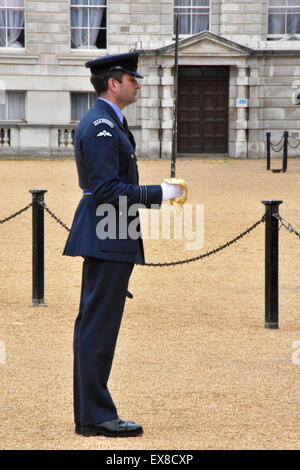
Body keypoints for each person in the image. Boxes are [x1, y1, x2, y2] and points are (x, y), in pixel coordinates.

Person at [63, 51, 184, 438]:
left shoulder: (109, 121)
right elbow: (105, 189)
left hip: (110, 233)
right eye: (132, 78)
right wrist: (159, 193)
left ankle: (91, 413)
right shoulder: (100, 124)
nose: (138, 83)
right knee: (98, 327)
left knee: (96, 325)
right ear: (113, 83)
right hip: (106, 233)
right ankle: (96, 416)